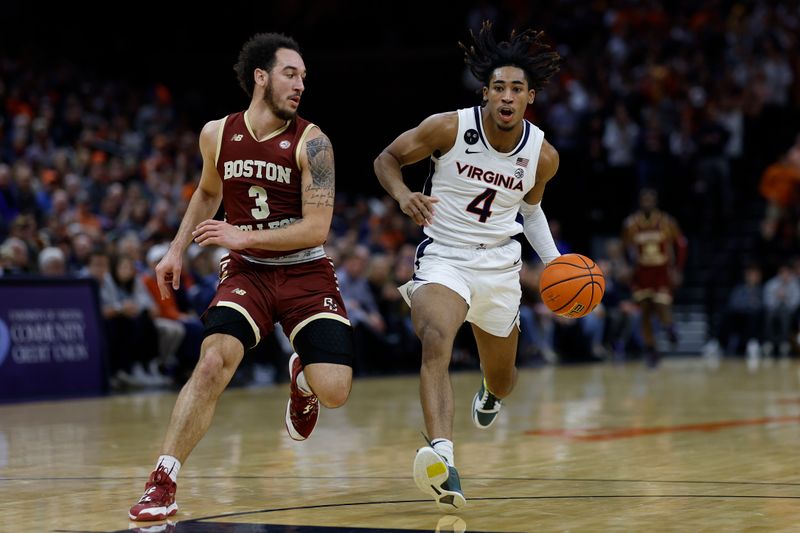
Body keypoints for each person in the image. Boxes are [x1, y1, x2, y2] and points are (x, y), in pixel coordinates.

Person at [129, 32, 354, 521]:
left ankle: (304, 380)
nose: (299, 85)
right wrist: (176, 250)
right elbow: (209, 193)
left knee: (335, 390)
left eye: (303, 78)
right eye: (289, 74)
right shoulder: (217, 133)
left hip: (306, 272)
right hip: (246, 274)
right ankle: (162, 480)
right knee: (212, 364)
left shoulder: (314, 144)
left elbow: (317, 227)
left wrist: (242, 236)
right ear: (261, 77)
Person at [374, 20, 561, 510]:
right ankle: (444, 460)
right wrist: (403, 195)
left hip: (500, 267)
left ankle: (490, 393)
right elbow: (387, 160)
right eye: (498, 86)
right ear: (486, 91)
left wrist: (557, 265)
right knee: (435, 337)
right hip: (445, 256)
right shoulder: (449, 127)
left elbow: (532, 211)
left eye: (516, 88)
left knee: (503, 377)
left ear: (530, 98)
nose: (506, 95)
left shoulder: (542, 156)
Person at [621, 188, 687, 367]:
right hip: (641, 272)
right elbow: (624, 248)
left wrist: (678, 269)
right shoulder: (632, 224)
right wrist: (626, 268)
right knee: (644, 312)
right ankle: (651, 349)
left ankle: (669, 327)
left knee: (661, 304)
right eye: (644, 199)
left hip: (661, 272)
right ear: (640, 201)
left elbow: (681, 245)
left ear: (655, 201)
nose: (647, 202)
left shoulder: (666, 222)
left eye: (650, 199)